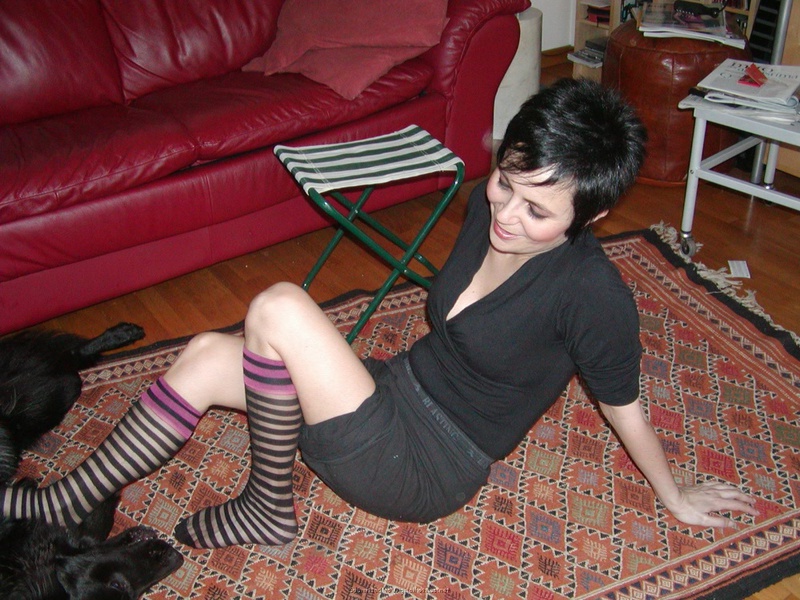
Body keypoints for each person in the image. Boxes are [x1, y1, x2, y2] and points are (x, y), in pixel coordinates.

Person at [0, 79, 757, 548]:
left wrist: (675, 494)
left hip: (428, 464)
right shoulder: (485, 205)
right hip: (388, 390)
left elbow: (622, 403)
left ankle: (257, 503)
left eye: (539, 211)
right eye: (507, 182)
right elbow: (474, 269)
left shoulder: (593, 295)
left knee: (280, 308)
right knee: (204, 352)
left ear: (589, 218)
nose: (505, 214)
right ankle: (76, 500)